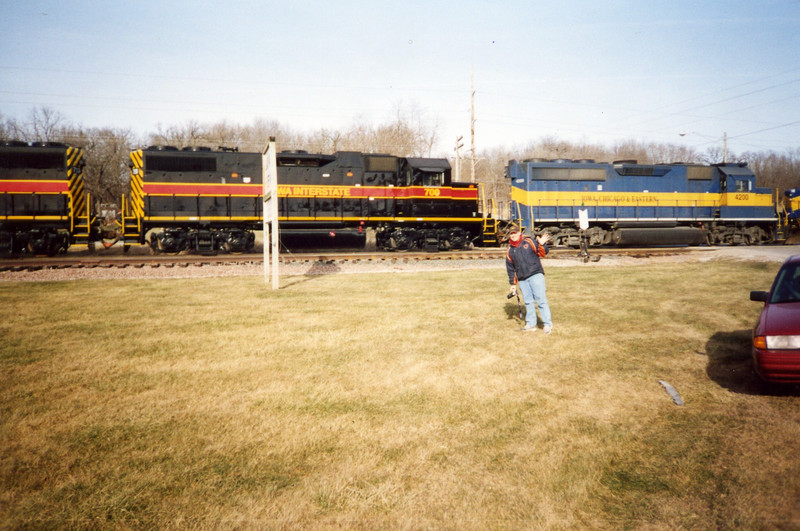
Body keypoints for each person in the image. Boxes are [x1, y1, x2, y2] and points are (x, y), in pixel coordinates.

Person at [505, 224, 553, 333]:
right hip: (522, 279)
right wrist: (512, 284)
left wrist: (542, 244)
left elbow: (544, 252)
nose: (513, 235)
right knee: (528, 302)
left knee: (541, 300)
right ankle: (531, 324)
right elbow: (510, 268)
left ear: (519, 233)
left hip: (536, 274)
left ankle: (547, 324)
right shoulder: (510, 251)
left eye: (515, 233)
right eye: (511, 234)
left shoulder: (529, 242)